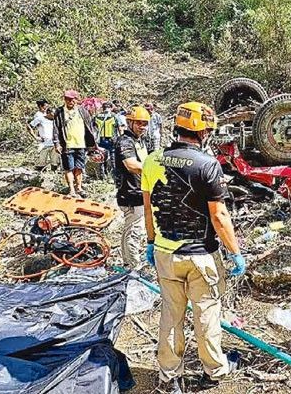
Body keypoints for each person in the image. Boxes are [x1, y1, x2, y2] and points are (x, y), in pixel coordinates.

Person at [141, 102, 244, 392]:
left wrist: (151, 242)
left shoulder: (152, 160)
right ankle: (213, 371)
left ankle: (170, 374)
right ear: (204, 132)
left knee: (171, 315)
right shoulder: (206, 164)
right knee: (207, 315)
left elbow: (149, 208)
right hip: (201, 256)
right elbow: (219, 216)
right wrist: (235, 253)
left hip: (165, 252)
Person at [113, 106, 152, 269]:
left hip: (140, 191)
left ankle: (128, 262)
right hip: (130, 193)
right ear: (130, 122)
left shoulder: (139, 140)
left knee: (131, 230)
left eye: (145, 124)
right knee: (135, 232)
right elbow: (130, 164)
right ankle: (133, 267)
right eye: (139, 124)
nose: (142, 127)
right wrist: (154, 169)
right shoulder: (125, 141)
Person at [52, 90, 97, 197]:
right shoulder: (59, 112)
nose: (69, 101)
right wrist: (57, 143)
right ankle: (71, 190)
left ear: (76, 100)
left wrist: (92, 145)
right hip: (67, 145)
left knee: (79, 167)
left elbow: (90, 127)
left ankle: (79, 188)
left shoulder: (83, 111)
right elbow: (56, 129)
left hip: (81, 144)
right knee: (68, 168)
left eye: (72, 99)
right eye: (67, 99)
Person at [28, 99, 59, 171]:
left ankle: (53, 175)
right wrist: (35, 137)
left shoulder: (55, 120)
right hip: (44, 143)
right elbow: (30, 126)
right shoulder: (39, 117)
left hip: (54, 143)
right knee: (41, 163)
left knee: (55, 163)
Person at [95, 102, 118, 176]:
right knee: (113, 157)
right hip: (111, 139)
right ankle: (114, 174)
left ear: (103, 107)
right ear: (110, 108)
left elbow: (93, 128)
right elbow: (119, 127)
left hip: (100, 139)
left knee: (101, 156)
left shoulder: (97, 116)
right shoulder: (113, 116)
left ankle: (102, 174)